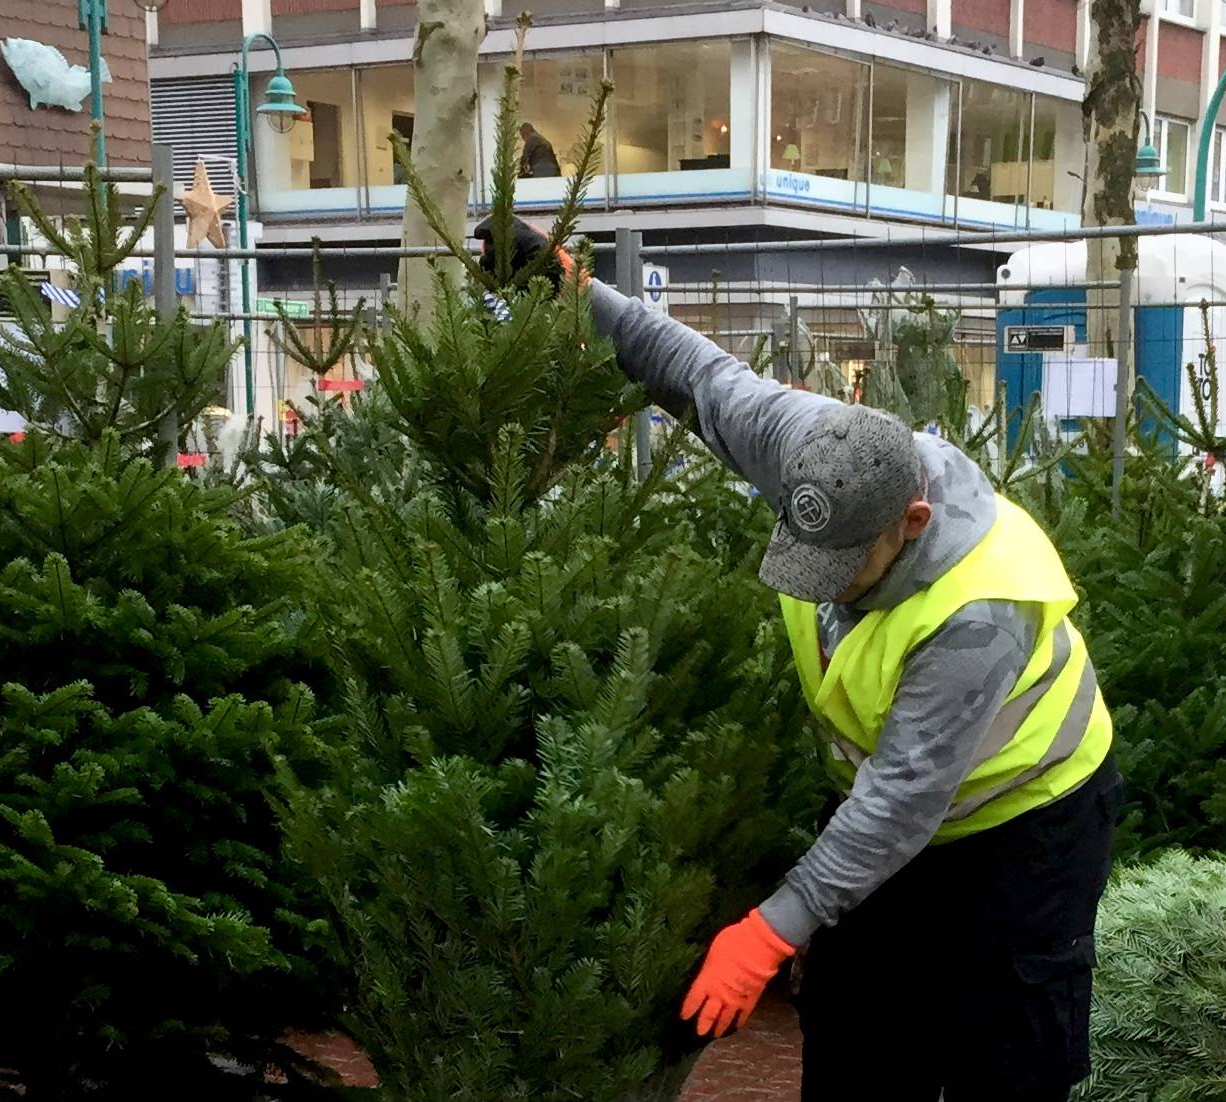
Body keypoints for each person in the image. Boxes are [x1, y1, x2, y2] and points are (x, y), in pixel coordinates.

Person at [479, 221, 1122, 1101]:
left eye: (841, 569)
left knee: (1002, 1057)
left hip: (1026, 821)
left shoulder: (982, 609)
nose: (820, 591)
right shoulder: (810, 443)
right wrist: (572, 291)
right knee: (856, 1030)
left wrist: (769, 931)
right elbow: (696, 373)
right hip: (890, 799)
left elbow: (902, 801)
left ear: (912, 525)